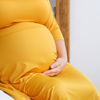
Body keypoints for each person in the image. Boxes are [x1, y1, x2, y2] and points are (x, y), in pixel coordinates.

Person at [0, 0, 100, 100]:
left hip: (53, 68)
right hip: (21, 74)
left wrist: (63, 58)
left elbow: (52, 25)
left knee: (88, 89)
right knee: (58, 92)